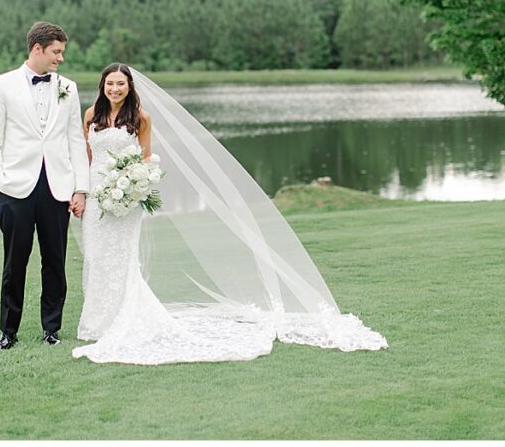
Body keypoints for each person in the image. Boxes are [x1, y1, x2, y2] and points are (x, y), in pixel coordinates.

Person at [72, 63, 388, 365]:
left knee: (122, 258)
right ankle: (96, 322)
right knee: (97, 257)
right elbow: (87, 158)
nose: (115, 88)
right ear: (102, 86)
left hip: (126, 201)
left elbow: (144, 159)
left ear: (129, 87)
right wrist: (84, 192)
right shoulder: (91, 115)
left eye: (120, 84)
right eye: (110, 83)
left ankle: (121, 320)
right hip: (97, 196)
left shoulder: (140, 117)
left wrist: (132, 188)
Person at [0, 21, 89, 349]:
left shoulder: (68, 88)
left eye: (62, 52)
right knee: (14, 262)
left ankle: (51, 329)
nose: (61, 58)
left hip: (57, 187)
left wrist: (80, 188)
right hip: (15, 187)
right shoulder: (3, 85)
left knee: (55, 261)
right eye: (56, 52)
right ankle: (8, 332)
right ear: (37, 49)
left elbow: (74, 139)